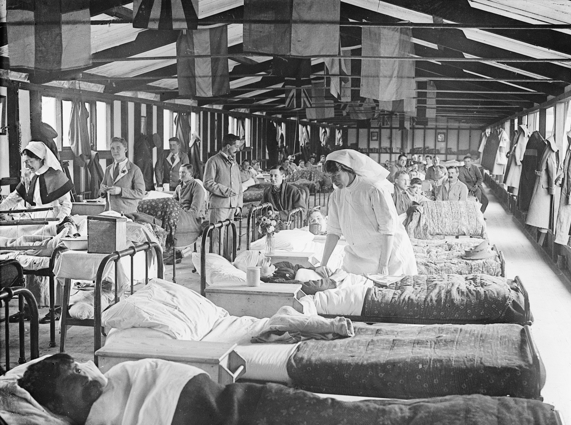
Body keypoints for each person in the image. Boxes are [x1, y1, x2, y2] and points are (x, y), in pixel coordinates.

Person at [17, 353, 537, 425]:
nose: (90, 380)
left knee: (374, 417)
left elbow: (177, 379)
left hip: (245, 406)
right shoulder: (85, 417)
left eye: (81, 369)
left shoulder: (130, 370)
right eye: (75, 385)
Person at [319, 150, 417, 276]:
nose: (334, 181)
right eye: (330, 177)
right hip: (359, 255)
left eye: (337, 175)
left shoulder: (373, 189)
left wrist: (384, 265)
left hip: (389, 254)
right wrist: (323, 264)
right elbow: (333, 231)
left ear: (348, 169)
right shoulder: (337, 195)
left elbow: (388, 229)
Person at [0, 141, 73, 221]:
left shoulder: (56, 176)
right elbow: (14, 197)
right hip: (34, 218)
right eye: (25, 162)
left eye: (31, 161)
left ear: (40, 159)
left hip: (52, 219)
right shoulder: (29, 176)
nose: (27, 166)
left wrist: (59, 221)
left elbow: (66, 205)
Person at [203, 134, 243, 251]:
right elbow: (207, 182)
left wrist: (239, 205)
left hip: (232, 207)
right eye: (236, 146)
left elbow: (239, 186)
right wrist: (225, 191)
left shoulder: (235, 164)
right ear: (228, 146)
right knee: (216, 239)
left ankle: (228, 264)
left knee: (229, 238)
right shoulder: (213, 161)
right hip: (219, 206)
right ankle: (215, 266)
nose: (238, 149)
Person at [100, 137, 145, 215]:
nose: (115, 151)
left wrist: (121, 191)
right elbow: (102, 189)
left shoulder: (134, 170)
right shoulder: (108, 169)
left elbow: (140, 193)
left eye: (118, 148)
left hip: (127, 213)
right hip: (109, 212)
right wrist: (102, 190)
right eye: (112, 148)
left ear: (125, 150)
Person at [173, 163, 207, 246]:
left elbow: (194, 211)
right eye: (180, 172)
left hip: (193, 219)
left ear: (191, 174)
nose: (181, 175)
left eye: (183, 173)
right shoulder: (179, 187)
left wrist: (180, 215)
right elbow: (173, 202)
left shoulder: (197, 188)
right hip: (181, 215)